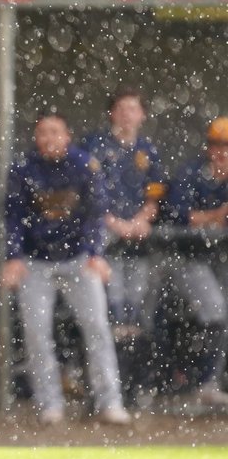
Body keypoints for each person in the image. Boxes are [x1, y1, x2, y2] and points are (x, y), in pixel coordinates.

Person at [0, 111, 129, 425]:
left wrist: (95, 253)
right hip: (36, 261)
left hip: (78, 259)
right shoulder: (23, 169)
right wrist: (14, 256)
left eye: (55, 132)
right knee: (36, 333)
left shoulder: (84, 165)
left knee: (97, 328)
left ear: (67, 136)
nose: (49, 139)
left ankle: (110, 403)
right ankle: (50, 406)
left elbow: (95, 213)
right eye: (43, 133)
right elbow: (13, 217)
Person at [80, 86, 165, 406]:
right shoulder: (95, 145)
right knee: (111, 310)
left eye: (133, 109)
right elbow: (89, 191)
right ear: (111, 113)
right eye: (121, 108)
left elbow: (156, 191)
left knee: (138, 311)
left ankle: (134, 388)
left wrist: (143, 218)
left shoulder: (148, 150)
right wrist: (113, 222)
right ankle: (106, 391)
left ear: (142, 115)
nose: (127, 114)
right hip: (105, 241)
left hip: (140, 242)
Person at [158, 117, 228, 408]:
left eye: (226, 147)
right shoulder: (192, 172)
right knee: (214, 311)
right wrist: (214, 216)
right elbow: (176, 215)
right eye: (217, 145)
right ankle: (204, 383)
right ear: (208, 147)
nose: (221, 152)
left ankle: (210, 382)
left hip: (221, 256)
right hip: (187, 256)